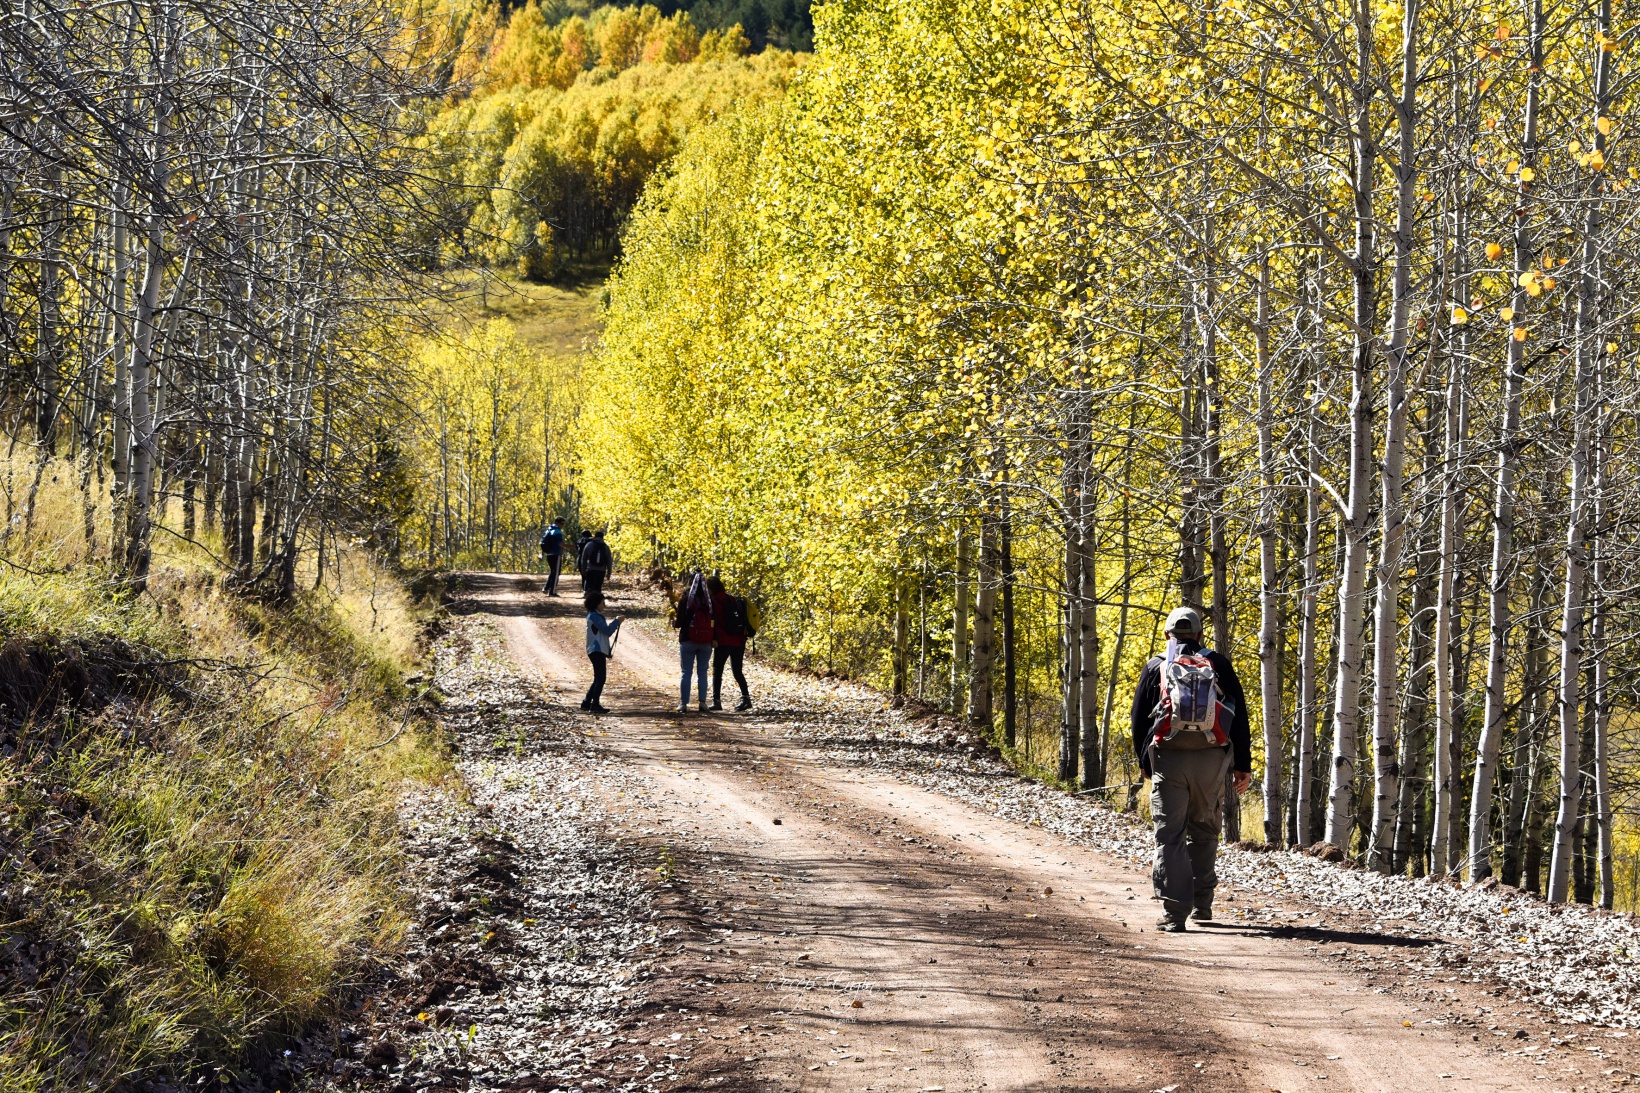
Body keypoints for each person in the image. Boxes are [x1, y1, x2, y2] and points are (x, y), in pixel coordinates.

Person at [1129, 606, 1252, 932]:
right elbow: (1239, 715)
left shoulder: (1157, 665)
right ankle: (1202, 904)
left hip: (1169, 757)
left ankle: (1174, 913)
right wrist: (1242, 766)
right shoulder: (1218, 664)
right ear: (1199, 635)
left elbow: (1139, 719)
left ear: (1168, 635)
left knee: (1170, 835)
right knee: (1205, 829)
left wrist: (1146, 762)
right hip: (1211, 759)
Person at [707, 575, 754, 711]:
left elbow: (713, 622)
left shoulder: (714, 602)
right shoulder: (731, 599)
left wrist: (713, 638)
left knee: (717, 670)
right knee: (737, 671)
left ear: (711, 589)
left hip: (723, 640)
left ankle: (716, 701)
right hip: (739, 640)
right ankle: (746, 698)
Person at [672, 570, 715, 713]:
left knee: (686, 672)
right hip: (706, 641)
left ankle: (683, 703)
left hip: (688, 639)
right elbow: (713, 621)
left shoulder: (685, 599)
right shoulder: (709, 600)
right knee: (703, 672)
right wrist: (713, 637)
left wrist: (674, 623)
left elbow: (679, 623)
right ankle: (702, 702)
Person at [583, 592, 623, 714]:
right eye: (602, 603)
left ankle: (587, 702)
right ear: (596, 603)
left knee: (598, 677)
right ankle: (595, 704)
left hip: (595, 650)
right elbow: (607, 631)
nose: (604, 605)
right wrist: (617, 621)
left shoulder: (594, 615)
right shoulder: (595, 616)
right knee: (601, 678)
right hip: (596, 649)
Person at [580, 529, 613, 597]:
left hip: (591, 569)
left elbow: (584, 558)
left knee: (590, 586)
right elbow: (609, 560)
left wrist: (583, 569)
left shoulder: (589, 545)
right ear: (602, 537)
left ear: (595, 536)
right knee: (598, 587)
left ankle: (590, 601)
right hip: (601, 570)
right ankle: (597, 602)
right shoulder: (606, 547)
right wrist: (609, 572)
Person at [540, 518, 566, 595]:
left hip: (549, 554)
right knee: (556, 573)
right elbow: (560, 544)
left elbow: (543, 543)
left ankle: (546, 587)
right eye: (561, 523)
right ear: (557, 523)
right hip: (556, 554)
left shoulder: (549, 530)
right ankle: (552, 591)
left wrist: (542, 554)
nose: (562, 525)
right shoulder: (557, 532)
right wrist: (573, 547)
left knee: (553, 572)